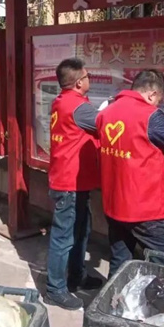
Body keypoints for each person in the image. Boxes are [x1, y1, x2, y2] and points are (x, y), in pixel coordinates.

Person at [96, 69, 164, 278]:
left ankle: (114, 298)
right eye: (158, 100)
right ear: (152, 94)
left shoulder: (107, 112)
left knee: (120, 263)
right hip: (146, 209)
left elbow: (135, 137)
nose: (157, 105)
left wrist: (162, 124)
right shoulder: (150, 116)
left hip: (115, 205)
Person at [44, 58, 103, 311]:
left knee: (80, 232)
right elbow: (108, 124)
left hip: (73, 180)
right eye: (87, 76)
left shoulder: (62, 101)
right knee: (64, 237)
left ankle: (76, 276)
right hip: (69, 182)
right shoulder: (79, 108)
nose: (90, 79)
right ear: (79, 82)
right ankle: (55, 289)